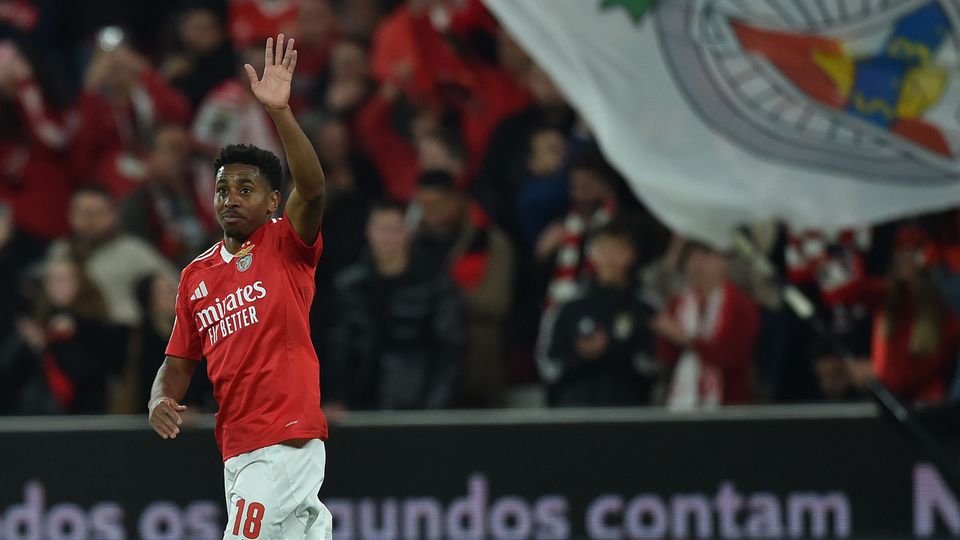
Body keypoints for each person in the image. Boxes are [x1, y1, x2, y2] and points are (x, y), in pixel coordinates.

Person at [147, 35, 333, 538]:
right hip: (237, 449)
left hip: (285, 440)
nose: (230, 198)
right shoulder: (196, 276)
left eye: (246, 189)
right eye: (223, 188)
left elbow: (313, 189)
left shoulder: (284, 243)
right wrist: (159, 398)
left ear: (273, 200)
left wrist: (280, 112)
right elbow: (177, 364)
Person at [325, 198, 466, 411]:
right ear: (368, 232)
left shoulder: (434, 281)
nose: (387, 238)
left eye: (394, 230)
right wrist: (335, 397)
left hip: (418, 399)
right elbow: (338, 346)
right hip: (360, 400)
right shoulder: (350, 286)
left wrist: (436, 407)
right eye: (381, 229)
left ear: (408, 232)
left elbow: (450, 346)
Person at [412, 170, 512, 407]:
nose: (430, 212)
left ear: (457, 200)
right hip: (425, 367)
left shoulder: (490, 242)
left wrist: (445, 293)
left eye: (437, 203)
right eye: (424, 205)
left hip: (478, 364)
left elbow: (495, 303)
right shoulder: (414, 246)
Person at [538, 220, 658, 406]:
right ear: (592, 254)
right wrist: (581, 356)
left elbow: (655, 365)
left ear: (632, 254)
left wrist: (611, 349)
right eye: (603, 248)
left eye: (618, 249)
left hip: (630, 414)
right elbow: (548, 366)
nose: (610, 257)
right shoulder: (568, 304)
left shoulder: (646, 306)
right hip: (575, 414)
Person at [47, 186, 179, 327]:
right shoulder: (61, 251)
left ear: (114, 215)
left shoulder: (132, 250)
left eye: (98, 213)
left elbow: (177, 286)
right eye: (84, 213)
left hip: (125, 333)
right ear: (71, 215)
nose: (90, 220)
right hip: (75, 335)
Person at [654, 241, 760, 408]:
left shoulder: (741, 306)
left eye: (706, 257)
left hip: (729, 401)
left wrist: (686, 339)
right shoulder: (677, 304)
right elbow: (666, 356)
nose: (698, 264)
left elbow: (731, 356)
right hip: (682, 399)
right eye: (692, 257)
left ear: (725, 262)